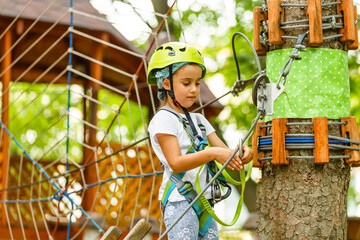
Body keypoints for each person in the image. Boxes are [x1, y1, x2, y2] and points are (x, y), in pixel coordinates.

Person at [147, 42, 253, 240]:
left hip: (205, 203)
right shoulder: (164, 119)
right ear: (166, 84)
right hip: (180, 202)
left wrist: (244, 154)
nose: (194, 90)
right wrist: (212, 153)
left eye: (197, 83)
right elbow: (176, 162)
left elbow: (226, 156)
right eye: (186, 83)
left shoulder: (199, 121)